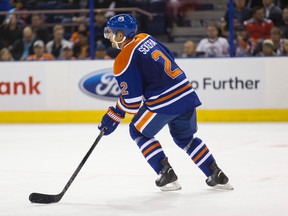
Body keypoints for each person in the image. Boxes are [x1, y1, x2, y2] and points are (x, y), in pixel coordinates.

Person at [98, 14, 233, 191]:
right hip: (185, 93)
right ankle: (216, 174)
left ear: (122, 34)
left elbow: (131, 103)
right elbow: (170, 57)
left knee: (138, 131)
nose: (109, 37)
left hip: (163, 101)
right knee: (185, 138)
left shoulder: (124, 58)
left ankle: (166, 173)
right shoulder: (146, 38)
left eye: (112, 33)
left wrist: (114, 114)